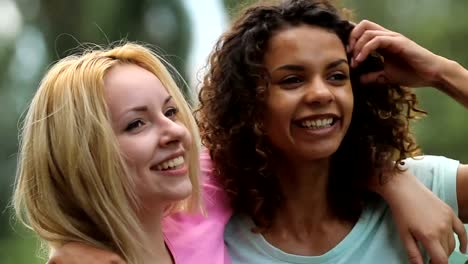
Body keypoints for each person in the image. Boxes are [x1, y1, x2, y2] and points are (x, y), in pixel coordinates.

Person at [195, 0, 468, 263]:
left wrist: (444, 74)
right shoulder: (214, 236)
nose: (320, 94)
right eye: (292, 80)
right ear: (248, 102)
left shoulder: (420, 190)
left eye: (337, 76)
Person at [12, 43, 231, 264]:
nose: (176, 131)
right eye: (136, 124)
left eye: (170, 112)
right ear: (81, 160)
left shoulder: (212, 190)